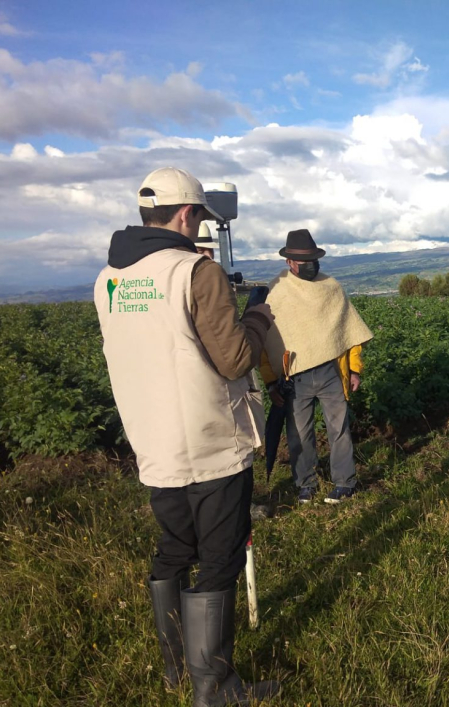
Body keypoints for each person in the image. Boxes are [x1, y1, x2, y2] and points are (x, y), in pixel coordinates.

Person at [94, 167, 279, 706]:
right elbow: (235, 360)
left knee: (174, 549)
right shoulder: (196, 273)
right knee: (220, 558)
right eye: (199, 214)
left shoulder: (109, 279)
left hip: (153, 442)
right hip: (211, 441)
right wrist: (259, 317)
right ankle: (216, 689)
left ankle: (178, 671)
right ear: (186, 215)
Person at [260, 229, 373, 504]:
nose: (311, 265)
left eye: (313, 259)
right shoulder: (276, 292)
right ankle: (306, 485)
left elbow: (350, 333)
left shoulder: (331, 287)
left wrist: (354, 369)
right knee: (298, 434)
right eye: (304, 261)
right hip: (294, 377)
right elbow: (265, 343)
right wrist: (271, 382)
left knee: (339, 429)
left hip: (331, 372)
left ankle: (345, 484)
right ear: (289, 262)